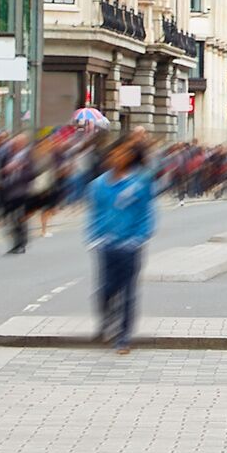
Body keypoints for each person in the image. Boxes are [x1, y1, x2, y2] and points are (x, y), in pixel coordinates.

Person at [88, 136, 156, 352]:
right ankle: (106, 322)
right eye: (115, 154)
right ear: (109, 157)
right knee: (106, 289)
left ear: (129, 157)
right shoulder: (98, 185)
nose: (118, 158)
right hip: (107, 245)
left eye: (123, 154)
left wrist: (139, 237)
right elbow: (95, 213)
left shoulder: (139, 183)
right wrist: (96, 236)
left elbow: (146, 213)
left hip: (130, 246)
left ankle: (124, 336)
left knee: (128, 292)